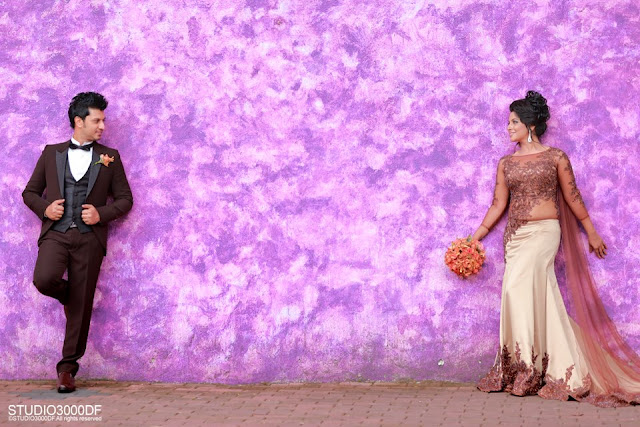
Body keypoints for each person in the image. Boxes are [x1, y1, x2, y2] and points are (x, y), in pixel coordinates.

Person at [473, 91, 640, 407]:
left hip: (544, 233)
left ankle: (535, 369)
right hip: (515, 237)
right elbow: (498, 204)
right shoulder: (505, 163)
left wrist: (591, 232)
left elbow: (573, 196)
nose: (508, 127)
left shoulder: (556, 157)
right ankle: (527, 367)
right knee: (525, 296)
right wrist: (475, 237)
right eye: (508, 122)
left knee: (519, 291)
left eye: (514, 122)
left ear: (530, 125)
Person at [22, 92, 133, 393]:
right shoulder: (51, 153)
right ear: (78, 121)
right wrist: (45, 209)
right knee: (44, 279)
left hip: (89, 239)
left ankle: (67, 369)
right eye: (97, 121)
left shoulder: (110, 157)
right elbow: (29, 193)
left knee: (81, 306)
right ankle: (70, 295)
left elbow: (125, 199)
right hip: (56, 233)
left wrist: (101, 214)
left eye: (103, 121)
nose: (102, 126)